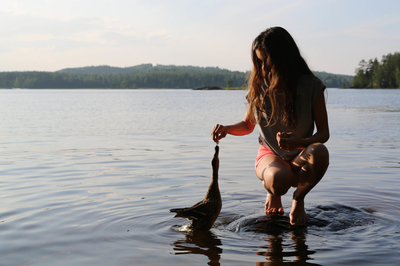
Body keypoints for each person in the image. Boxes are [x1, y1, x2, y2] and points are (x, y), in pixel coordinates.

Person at [211, 27, 329, 226]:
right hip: (271, 157)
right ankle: (272, 191)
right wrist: (227, 129)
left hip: (301, 157)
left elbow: (324, 133)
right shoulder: (259, 87)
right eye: (258, 61)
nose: (262, 66)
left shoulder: (311, 86)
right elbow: (248, 125)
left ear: (282, 57)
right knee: (277, 181)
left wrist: (300, 142)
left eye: (266, 60)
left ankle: (298, 199)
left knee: (320, 152)